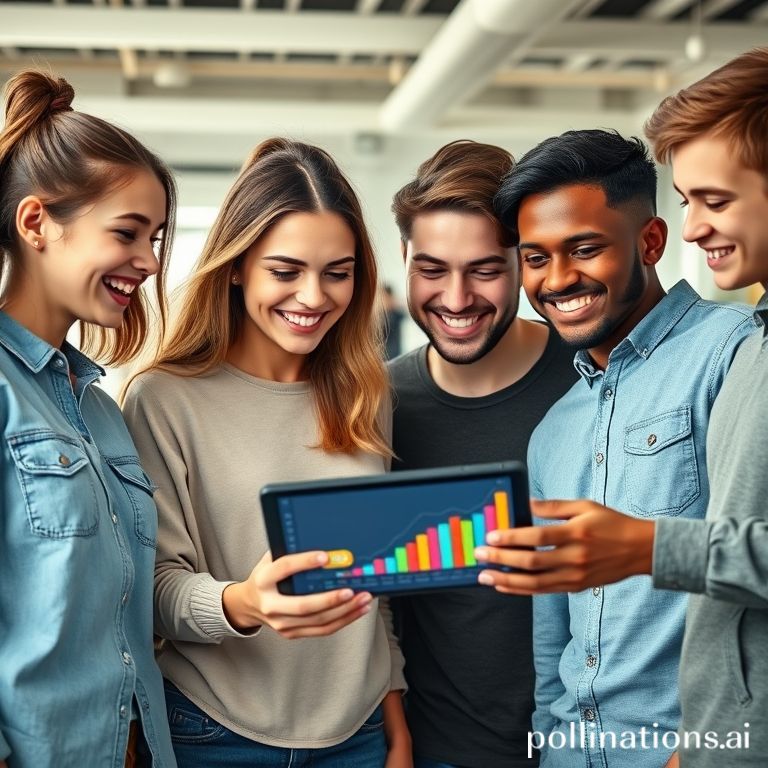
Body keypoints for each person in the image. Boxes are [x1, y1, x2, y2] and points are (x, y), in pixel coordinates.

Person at [481, 49, 768, 766]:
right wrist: (550, 743)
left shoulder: (735, 351)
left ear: (649, 241)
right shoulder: (555, 430)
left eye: (583, 249)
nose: (557, 279)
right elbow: (556, 633)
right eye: (536, 257)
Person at [121, 138, 409, 768]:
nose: (313, 297)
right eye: (285, 271)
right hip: (216, 733)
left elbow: (377, 584)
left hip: (357, 735)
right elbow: (151, 587)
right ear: (235, 265)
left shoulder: (367, 393)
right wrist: (244, 602)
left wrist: (394, 718)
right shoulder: (164, 399)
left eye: (338, 272)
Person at [0, 71, 177, 766]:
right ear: (37, 222)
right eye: (128, 233)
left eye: (157, 236)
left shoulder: (102, 409)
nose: (151, 260)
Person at [388, 139, 577, 768]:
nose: (457, 298)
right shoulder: (377, 404)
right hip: (435, 749)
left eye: (485, 270)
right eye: (433, 269)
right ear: (405, 260)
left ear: (522, 265)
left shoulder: (592, 380)